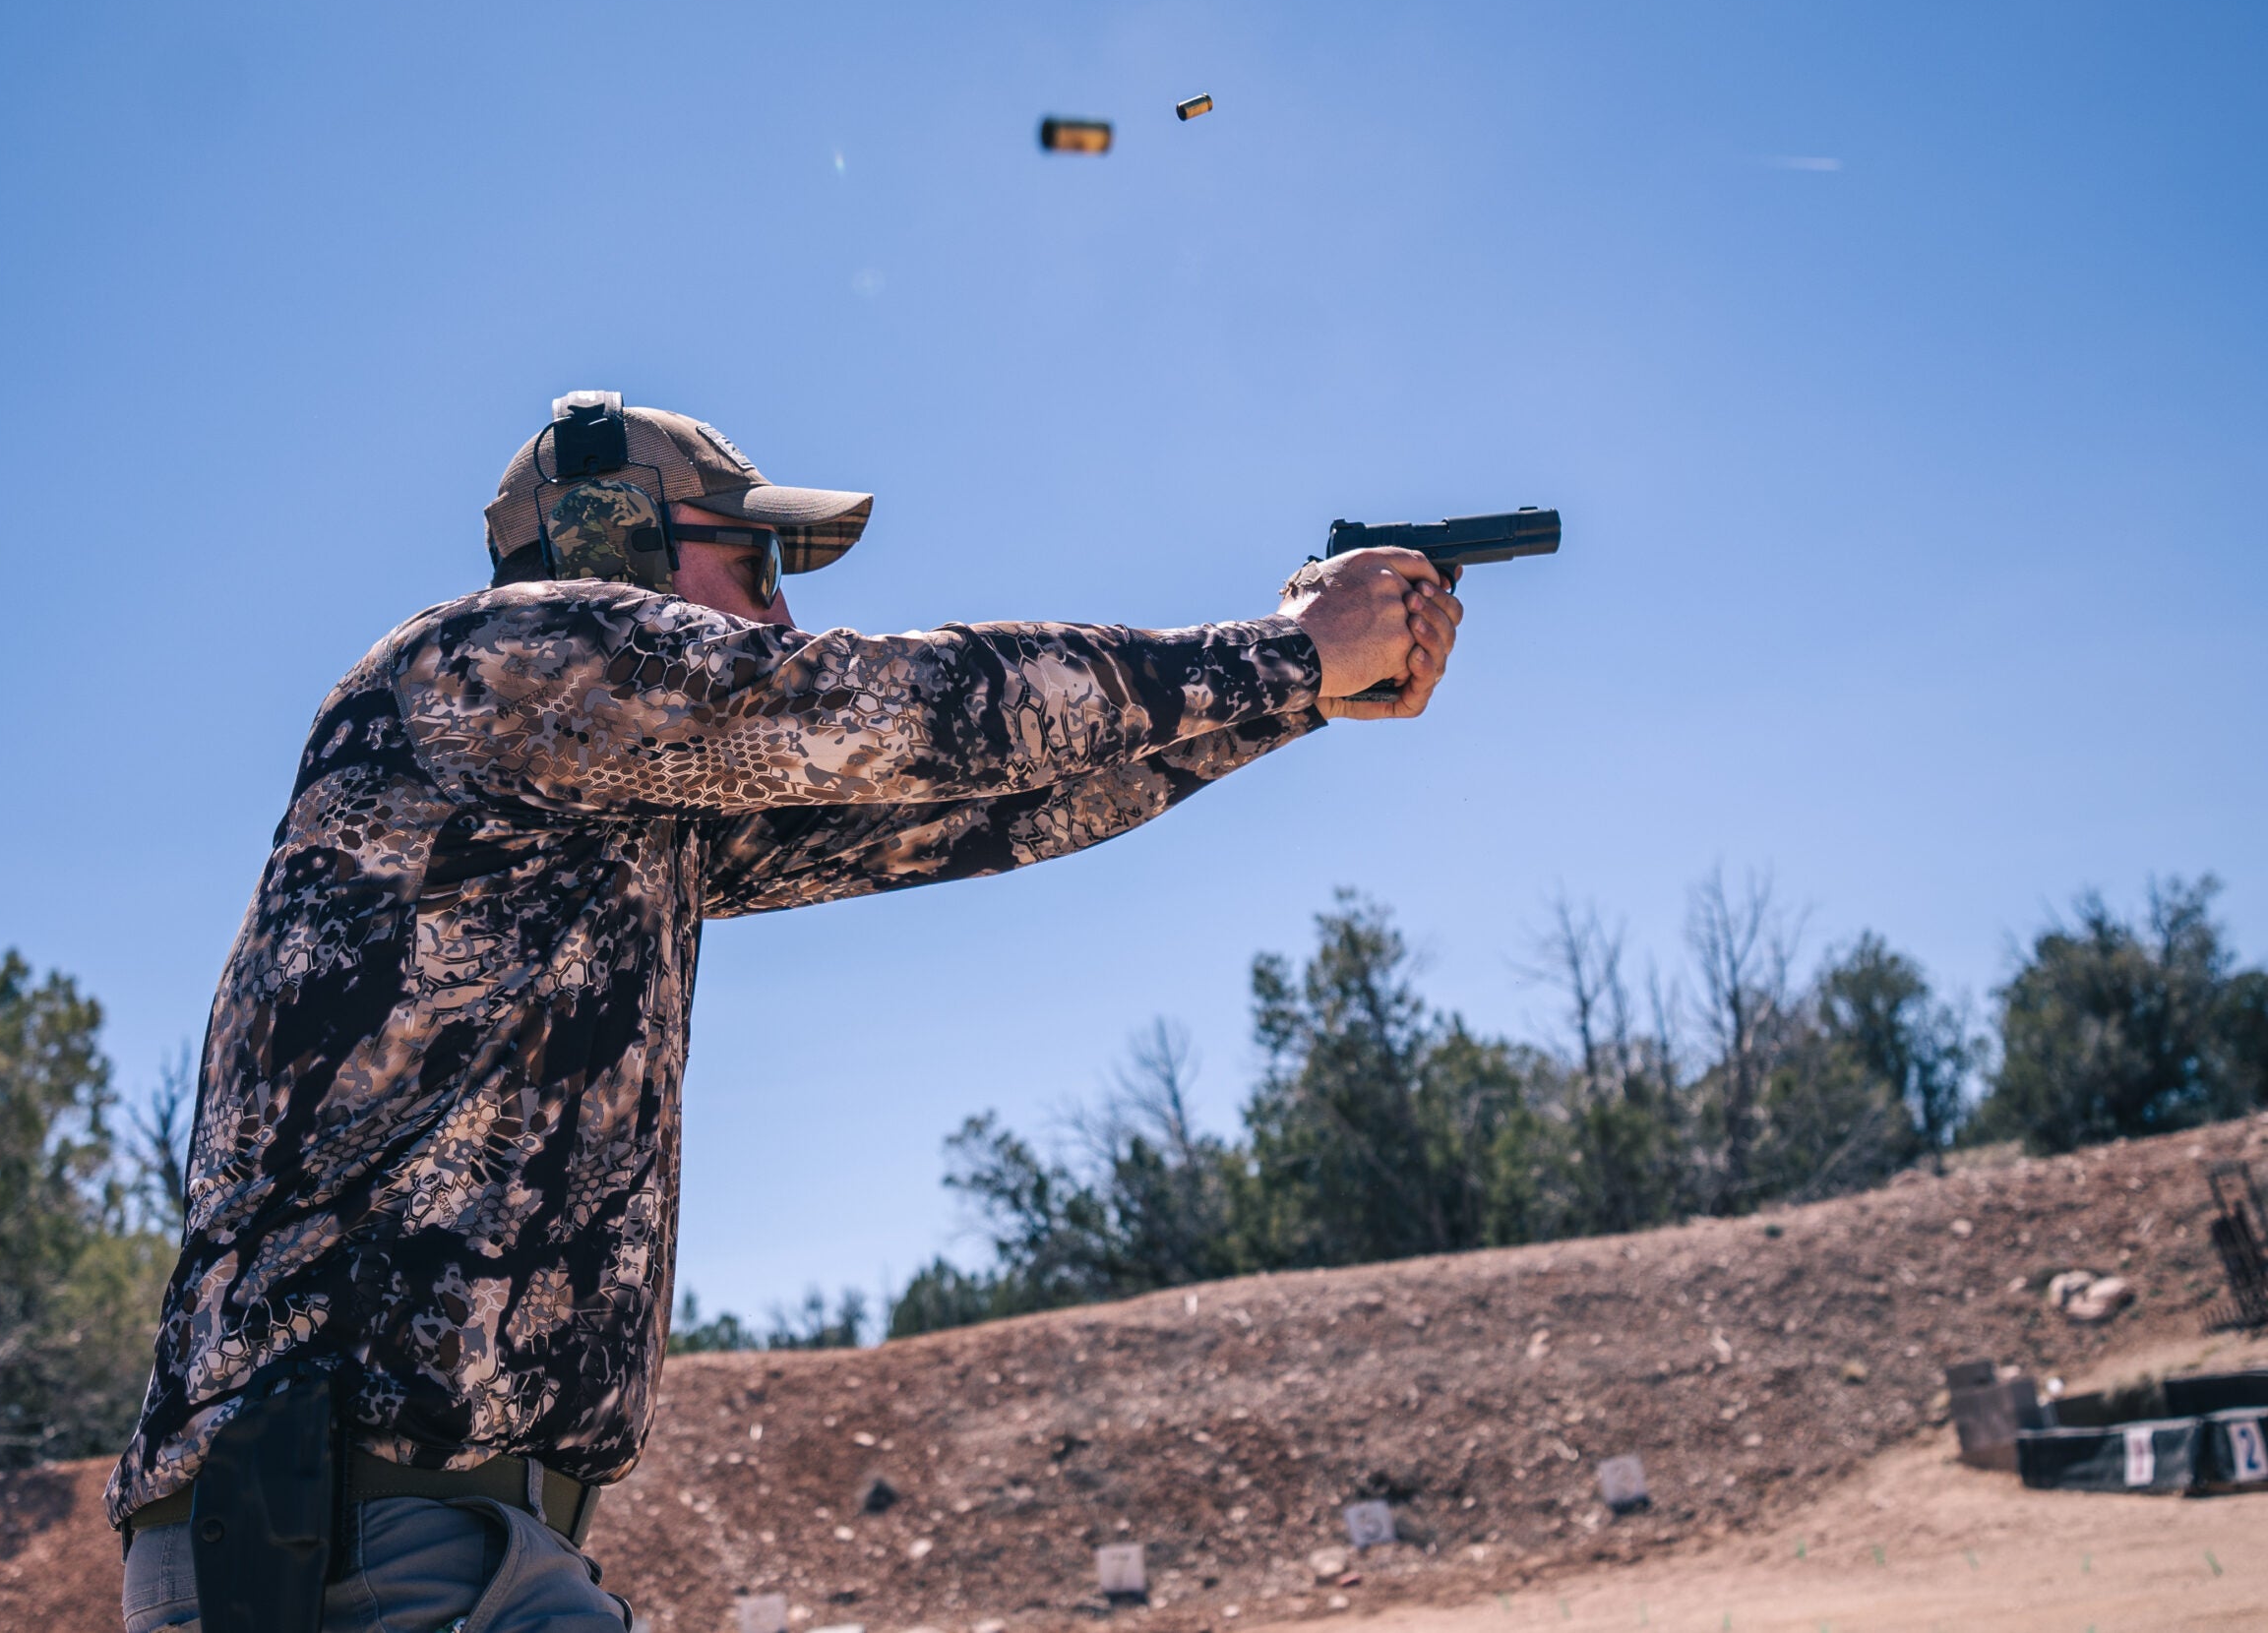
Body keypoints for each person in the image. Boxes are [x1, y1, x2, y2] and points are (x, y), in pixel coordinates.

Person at [109, 392, 1462, 1633]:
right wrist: (1286, 650)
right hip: (352, 1543)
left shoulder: (607, 809)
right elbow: (914, 711)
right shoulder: (498, 660)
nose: (781, 619)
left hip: (433, 1546)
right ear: (612, 549)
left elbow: (977, 806)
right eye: (749, 566)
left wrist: (1306, 689)